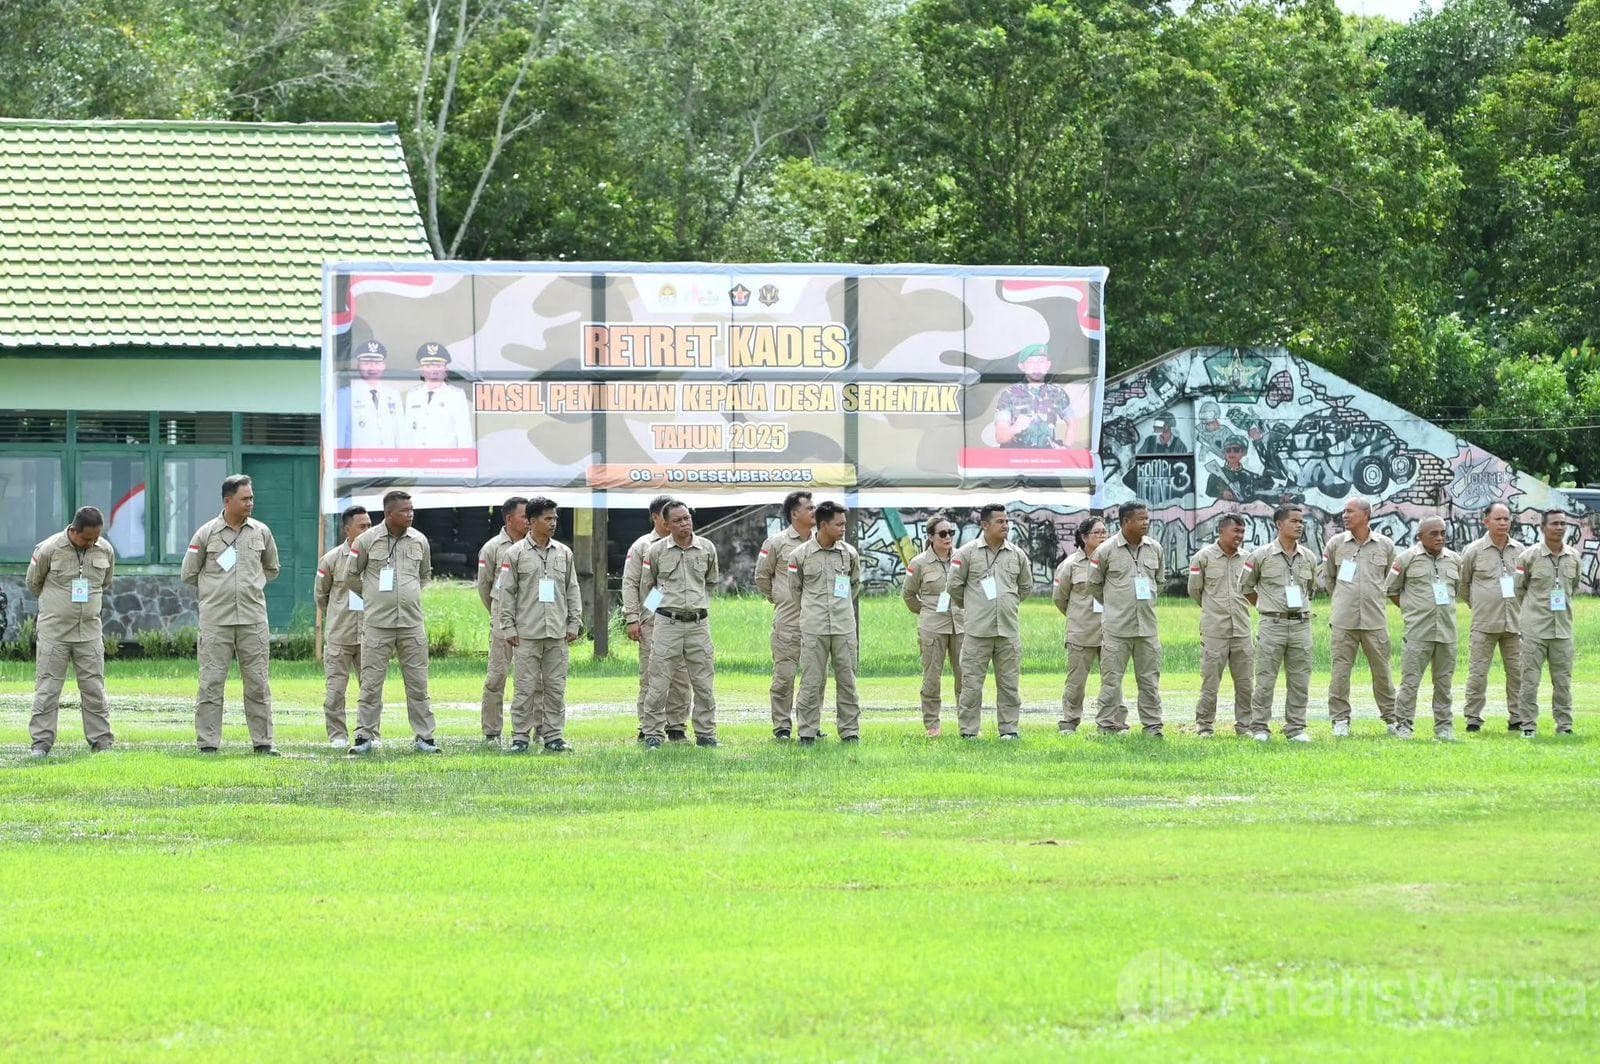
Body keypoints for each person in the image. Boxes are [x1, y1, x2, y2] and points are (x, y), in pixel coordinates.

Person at [181, 474, 279, 754]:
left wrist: (250, 584)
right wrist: (215, 590)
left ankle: (263, 742)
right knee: (211, 683)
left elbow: (272, 568)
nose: (250, 503)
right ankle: (208, 743)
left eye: (251, 498)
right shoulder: (206, 533)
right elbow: (188, 573)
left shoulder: (261, 532)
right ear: (228, 501)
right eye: (244, 498)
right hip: (216, 622)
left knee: (258, 683)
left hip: (253, 620)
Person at [345, 490, 439, 754]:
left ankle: (425, 737)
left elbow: (425, 575)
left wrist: (409, 595)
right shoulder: (365, 541)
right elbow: (352, 575)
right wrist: (373, 596)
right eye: (404, 511)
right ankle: (365, 736)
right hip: (378, 624)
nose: (410, 514)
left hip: (411, 624)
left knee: (418, 683)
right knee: (371, 683)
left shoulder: (419, 540)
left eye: (411, 509)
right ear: (388, 514)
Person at [493, 497, 582, 752]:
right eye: (547, 518)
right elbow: (506, 593)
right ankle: (520, 736)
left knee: (556, 687)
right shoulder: (515, 553)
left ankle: (553, 736)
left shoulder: (564, 553)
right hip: (526, 633)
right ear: (532, 522)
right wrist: (508, 627)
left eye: (555, 518)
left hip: (557, 632)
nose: (553, 523)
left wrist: (574, 623)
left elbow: (572, 589)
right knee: (525, 688)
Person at [25, 507, 115, 757]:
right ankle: (41, 743)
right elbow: (34, 582)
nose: (92, 543)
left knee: (94, 688)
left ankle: (101, 742)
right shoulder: (49, 549)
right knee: (48, 688)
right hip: (55, 633)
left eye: (96, 537)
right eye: (87, 538)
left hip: (89, 633)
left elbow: (105, 582)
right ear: (73, 530)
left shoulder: (105, 550)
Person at [637, 501, 721, 749]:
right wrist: (653, 617)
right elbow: (648, 586)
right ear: (666, 524)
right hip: (667, 623)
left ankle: (706, 733)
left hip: (698, 624)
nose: (684, 523)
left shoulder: (707, 548)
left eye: (687, 518)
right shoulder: (656, 551)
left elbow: (711, 582)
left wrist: (698, 605)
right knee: (658, 680)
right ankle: (652, 732)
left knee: (703, 682)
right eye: (678, 520)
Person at [947, 504, 1033, 739]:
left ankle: (1009, 730)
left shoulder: (1017, 554)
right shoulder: (966, 553)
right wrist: (975, 607)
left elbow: (1025, 587)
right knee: (971, 686)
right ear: (984, 525)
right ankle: (969, 732)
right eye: (1000, 522)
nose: (1006, 525)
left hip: (1008, 631)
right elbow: (954, 587)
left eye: (1007, 521)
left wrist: (1008, 604)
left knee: (1009, 686)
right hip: (977, 632)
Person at [787, 501, 863, 745]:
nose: (844, 528)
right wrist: (814, 611)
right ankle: (808, 732)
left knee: (848, 681)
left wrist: (840, 610)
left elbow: (855, 585)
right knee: (811, 681)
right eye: (839, 524)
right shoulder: (800, 555)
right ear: (823, 525)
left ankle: (850, 731)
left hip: (843, 628)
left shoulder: (849, 554)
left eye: (844, 523)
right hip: (814, 627)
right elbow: (795, 589)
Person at [1088, 500, 1166, 736]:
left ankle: (1153, 727)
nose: (1146, 522)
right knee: (1111, 682)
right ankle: (1106, 726)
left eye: (1147, 518)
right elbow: (1094, 585)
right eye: (1141, 519)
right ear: (1125, 522)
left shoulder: (1155, 548)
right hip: (1116, 629)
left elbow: (1160, 583)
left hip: (1147, 628)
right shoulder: (1105, 551)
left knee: (1150, 681)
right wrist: (1116, 605)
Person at [1240, 504, 1318, 742]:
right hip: (1272, 624)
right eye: (1294, 521)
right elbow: (1245, 587)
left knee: (1300, 679)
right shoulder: (1261, 555)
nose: (1299, 525)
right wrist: (1267, 607)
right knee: (1265, 679)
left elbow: (1311, 589)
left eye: (1301, 521)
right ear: (1279, 524)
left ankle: (1295, 728)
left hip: (1301, 624)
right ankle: (1260, 727)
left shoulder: (1309, 557)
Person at [1322, 498, 1397, 737]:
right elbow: (1329, 579)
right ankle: (1340, 720)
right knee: (1340, 672)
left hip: (1375, 620)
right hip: (1344, 620)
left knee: (1382, 671)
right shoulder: (1335, 544)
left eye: (1350, 511)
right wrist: (1344, 600)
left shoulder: (1385, 545)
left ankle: (1391, 718)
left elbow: (1390, 580)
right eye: (1344, 511)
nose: (1344, 515)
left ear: (1366, 515)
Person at [622, 495, 693, 742]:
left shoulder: (690, 544)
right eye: (669, 517)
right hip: (652, 619)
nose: (677, 522)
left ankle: (676, 725)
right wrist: (633, 618)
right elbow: (631, 584)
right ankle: (648, 726)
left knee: (681, 676)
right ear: (656, 518)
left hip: (684, 620)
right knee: (653, 675)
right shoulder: (643, 546)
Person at [1385, 516, 1462, 740]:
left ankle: (1444, 728)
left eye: (1443, 533)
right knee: (1410, 683)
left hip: (1447, 632)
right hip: (1418, 632)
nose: (1440, 537)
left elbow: (1457, 589)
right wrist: (1412, 609)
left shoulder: (1455, 560)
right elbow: (1391, 590)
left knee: (1444, 684)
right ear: (1420, 537)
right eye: (1434, 534)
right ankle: (1404, 726)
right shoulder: (1405, 559)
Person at [754, 490, 815, 738]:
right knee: (784, 677)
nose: (814, 511)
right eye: (809, 508)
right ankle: (781, 727)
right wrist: (778, 598)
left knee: (814, 678)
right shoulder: (776, 543)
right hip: (788, 622)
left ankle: (810, 727)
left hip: (815, 621)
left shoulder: (821, 541)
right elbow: (761, 577)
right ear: (794, 513)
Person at [1513, 509, 1580, 737]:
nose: (1559, 527)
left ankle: (1565, 726)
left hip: (1562, 629)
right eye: (1554, 523)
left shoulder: (1573, 556)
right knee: (1529, 681)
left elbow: (1574, 588)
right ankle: (1528, 726)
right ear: (1543, 527)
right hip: (1535, 630)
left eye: (1563, 523)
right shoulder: (1529, 556)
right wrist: (1534, 611)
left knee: (1563, 682)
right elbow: (1519, 589)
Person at [1457, 501, 1523, 733]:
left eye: (1506, 518)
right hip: (1484, 624)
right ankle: (1473, 718)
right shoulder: (1473, 551)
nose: (1503, 523)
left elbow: (1525, 585)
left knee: (1517, 673)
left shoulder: (1520, 551)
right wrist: (1478, 604)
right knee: (1478, 673)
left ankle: (1517, 717)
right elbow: (1462, 584)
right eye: (1498, 518)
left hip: (1514, 624)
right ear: (1487, 521)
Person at [1188, 513, 1253, 737]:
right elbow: (1195, 591)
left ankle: (1245, 726)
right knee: (1210, 682)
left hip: (1242, 630)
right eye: (1236, 531)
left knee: (1245, 683)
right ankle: (1204, 726)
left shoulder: (1248, 558)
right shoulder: (1203, 557)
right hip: (1214, 631)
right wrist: (1212, 610)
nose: (1240, 536)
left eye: (1242, 532)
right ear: (1221, 531)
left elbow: (1253, 591)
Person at [313, 504, 372, 748]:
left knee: (370, 691)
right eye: (362, 526)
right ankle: (337, 735)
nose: (368, 530)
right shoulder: (331, 559)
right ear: (348, 529)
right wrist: (336, 616)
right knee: (335, 691)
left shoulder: (377, 558)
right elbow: (321, 595)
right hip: (340, 635)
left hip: (370, 635)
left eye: (370, 525)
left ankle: (369, 734)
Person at [902, 514, 964, 737]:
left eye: (951, 533)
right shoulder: (918, 563)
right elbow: (908, 594)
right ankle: (932, 725)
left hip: (960, 624)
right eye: (943, 533)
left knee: (965, 676)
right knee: (931, 677)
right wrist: (926, 612)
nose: (948, 537)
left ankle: (967, 724)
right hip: (932, 627)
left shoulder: (961, 558)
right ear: (930, 537)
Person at [476, 496, 528, 743]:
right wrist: (498, 613)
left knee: (533, 678)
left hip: (531, 618)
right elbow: (484, 587)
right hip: (502, 620)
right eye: (525, 516)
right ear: (509, 519)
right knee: (497, 676)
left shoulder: (537, 545)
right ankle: (491, 731)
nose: (530, 521)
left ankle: (536, 729)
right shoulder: (493, 547)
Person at [1052, 516, 1108, 734]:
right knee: (1076, 681)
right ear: (1084, 538)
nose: (1103, 536)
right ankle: (1069, 722)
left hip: (1111, 629)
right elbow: (1060, 598)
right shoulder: (1069, 565)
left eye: (1105, 532)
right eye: (1098, 533)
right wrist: (1077, 616)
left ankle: (1112, 722)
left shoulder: (1112, 560)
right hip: (1081, 630)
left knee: (1112, 680)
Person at [993, 344, 1074, 448]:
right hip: (1016, 458)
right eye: (1031, 362)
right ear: (1021, 366)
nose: (1037, 366)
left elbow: (1072, 422)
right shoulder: (1009, 394)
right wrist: (1015, 428)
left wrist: (1066, 448)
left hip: (1048, 459)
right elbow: (1000, 437)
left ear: (1048, 365)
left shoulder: (1057, 393)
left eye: (1041, 361)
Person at [403, 342, 474, 449]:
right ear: (422, 370)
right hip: (417, 460)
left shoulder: (456, 395)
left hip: (444, 460)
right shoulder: (413, 395)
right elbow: (407, 431)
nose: (433, 370)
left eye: (438, 365)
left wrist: (463, 461)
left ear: (445, 370)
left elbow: (464, 432)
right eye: (428, 366)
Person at [341, 339, 404, 449]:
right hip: (359, 461)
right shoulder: (346, 395)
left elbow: (400, 432)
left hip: (389, 461)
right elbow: (340, 434)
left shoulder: (393, 394)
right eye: (366, 363)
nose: (372, 368)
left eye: (376, 363)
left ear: (384, 366)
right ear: (358, 365)